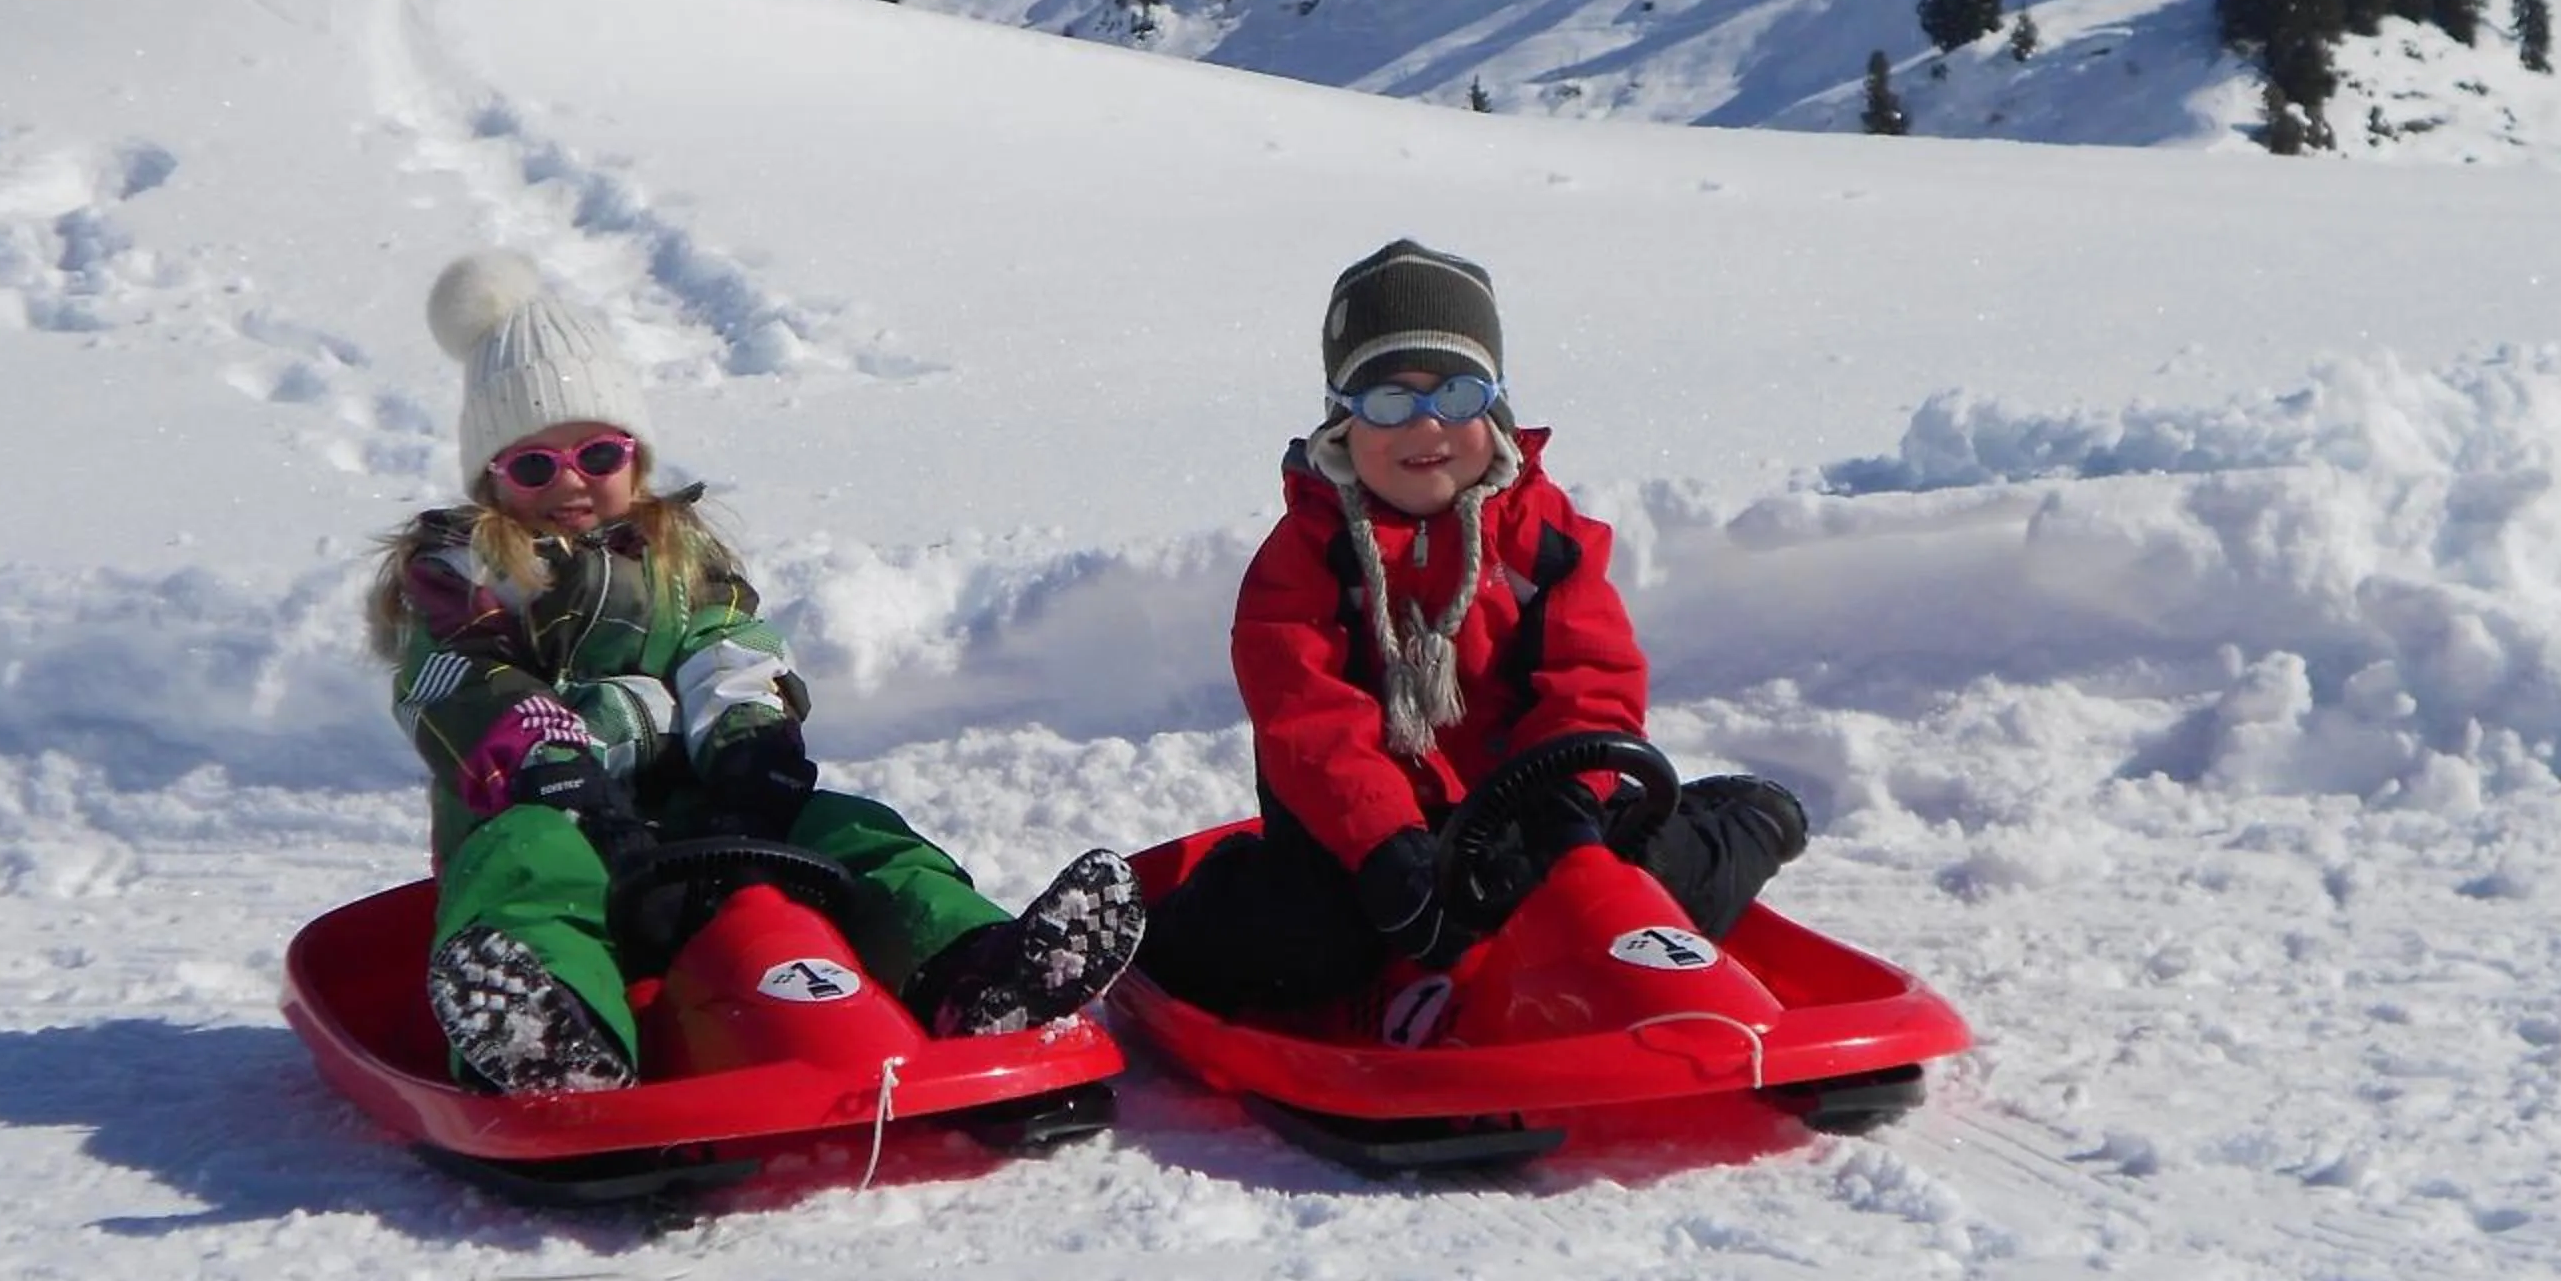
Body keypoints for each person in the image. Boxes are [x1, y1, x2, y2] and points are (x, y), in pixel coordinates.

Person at [367, 249, 1143, 1093]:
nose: (571, 483)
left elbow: (731, 650)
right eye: (533, 465)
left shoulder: (679, 557)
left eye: (598, 454)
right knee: (524, 864)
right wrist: (572, 765)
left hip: (711, 824)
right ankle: (548, 1034)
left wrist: (751, 752)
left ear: (637, 459)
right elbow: (463, 683)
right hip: (556, 817)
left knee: (854, 830)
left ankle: (978, 973)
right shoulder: (461, 576)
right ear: (490, 478)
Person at [1135, 239, 1807, 1017]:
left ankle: (1735, 819)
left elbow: (1589, 678)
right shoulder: (1305, 561)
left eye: (1453, 395)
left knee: (1635, 891)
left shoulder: (1546, 537)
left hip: (1518, 822)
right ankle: (1169, 927)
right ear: (1342, 424)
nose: (1426, 427)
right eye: (1388, 400)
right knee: (1309, 944)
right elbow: (1310, 723)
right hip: (1360, 841)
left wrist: (1566, 806)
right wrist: (1387, 847)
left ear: (1494, 408)